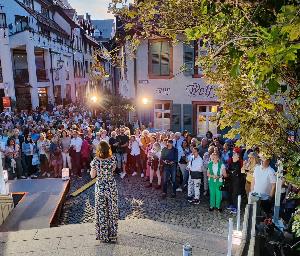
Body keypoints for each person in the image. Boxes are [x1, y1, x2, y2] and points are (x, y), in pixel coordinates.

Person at [90, 141, 118, 243]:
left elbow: (92, 175)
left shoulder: (96, 161)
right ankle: (113, 235)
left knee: (101, 211)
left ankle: (103, 235)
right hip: (111, 186)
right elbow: (113, 169)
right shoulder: (113, 159)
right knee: (112, 210)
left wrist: (93, 169)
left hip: (101, 186)